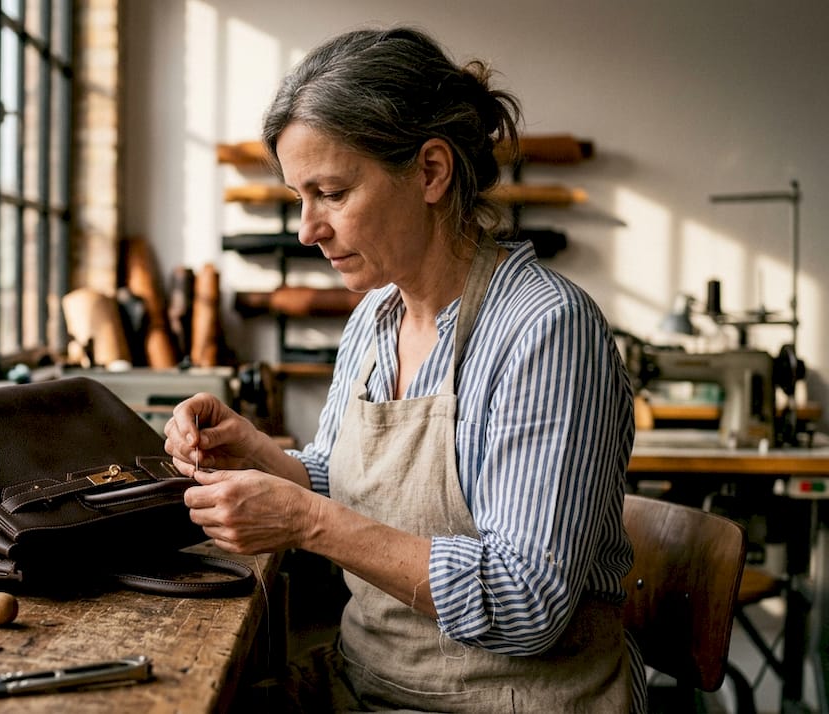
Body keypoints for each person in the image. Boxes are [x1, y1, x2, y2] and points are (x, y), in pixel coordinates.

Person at [163, 26, 642, 713]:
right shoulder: (375, 319)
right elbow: (350, 484)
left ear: (430, 172)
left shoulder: (543, 331)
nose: (306, 228)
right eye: (299, 196)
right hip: (367, 683)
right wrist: (260, 455)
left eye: (329, 191)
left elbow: (526, 602)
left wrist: (306, 521)